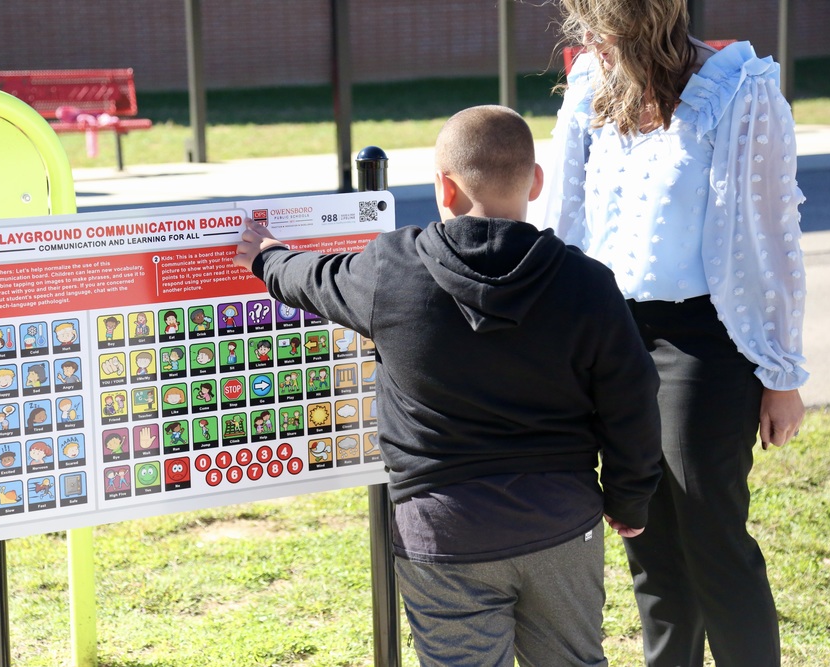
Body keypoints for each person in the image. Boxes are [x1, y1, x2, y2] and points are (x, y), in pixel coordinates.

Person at [233, 104, 663, 666]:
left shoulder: (393, 269)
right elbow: (632, 398)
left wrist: (267, 258)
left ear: (444, 187)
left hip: (442, 531)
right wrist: (630, 497)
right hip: (562, 519)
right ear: (535, 181)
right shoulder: (588, 284)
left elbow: (315, 280)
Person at [540, 2, 808, 665]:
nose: (589, 38)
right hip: (612, 338)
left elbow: (768, 235)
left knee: (713, 541)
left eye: (601, 24)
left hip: (705, 345)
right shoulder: (589, 88)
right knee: (646, 545)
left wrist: (780, 373)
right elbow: (561, 216)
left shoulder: (740, 91)